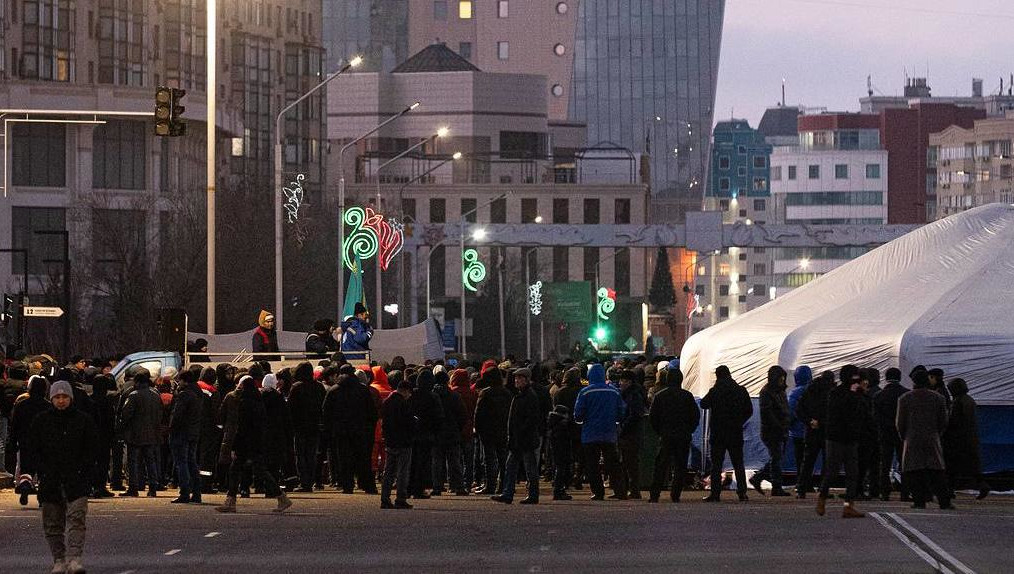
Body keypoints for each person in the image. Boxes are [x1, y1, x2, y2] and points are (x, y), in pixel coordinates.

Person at [30, 381, 97, 574]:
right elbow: (33, 449)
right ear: (51, 398)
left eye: (64, 397)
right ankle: (58, 559)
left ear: (71, 398)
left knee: (77, 519)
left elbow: (92, 449)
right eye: (57, 397)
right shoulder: (41, 421)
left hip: (76, 480)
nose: (61, 401)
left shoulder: (83, 420)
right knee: (52, 523)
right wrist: (39, 471)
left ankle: (75, 559)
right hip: (50, 480)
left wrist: (86, 473)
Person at [216, 376, 293, 513]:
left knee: (237, 470)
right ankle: (281, 497)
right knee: (258, 470)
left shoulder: (244, 403)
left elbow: (242, 426)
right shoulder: (258, 401)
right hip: (257, 441)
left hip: (245, 443)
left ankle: (231, 501)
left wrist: (235, 445)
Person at [896, 368, 952, 510]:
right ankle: (944, 501)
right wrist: (937, 434)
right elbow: (944, 421)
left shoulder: (905, 398)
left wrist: (904, 436)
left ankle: (918, 501)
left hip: (912, 438)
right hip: (932, 438)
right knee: (937, 471)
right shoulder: (939, 398)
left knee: (914, 471)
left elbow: (900, 422)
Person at [816, 365, 866, 518]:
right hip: (836, 438)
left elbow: (861, 412)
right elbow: (842, 410)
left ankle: (848, 505)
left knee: (853, 473)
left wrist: (859, 393)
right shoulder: (836, 393)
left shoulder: (857, 393)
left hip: (851, 438)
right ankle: (822, 498)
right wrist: (854, 394)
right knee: (832, 471)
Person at [573, 364, 627, 501]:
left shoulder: (585, 392)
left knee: (593, 465)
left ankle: (598, 492)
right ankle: (620, 490)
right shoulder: (614, 392)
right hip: (609, 433)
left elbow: (578, 414)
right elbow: (621, 412)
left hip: (590, 434)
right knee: (613, 464)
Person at [700, 365, 753, 502]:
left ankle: (715, 493)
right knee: (738, 463)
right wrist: (739, 421)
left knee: (717, 465)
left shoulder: (715, 391)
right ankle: (742, 492)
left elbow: (704, 404)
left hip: (718, 433)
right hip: (735, 432)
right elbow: (749, 410)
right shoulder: (740, 390)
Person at [648, 367, 700, 503]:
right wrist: (689, 430)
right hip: (683, 435)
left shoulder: (660, 396)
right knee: (680, 465)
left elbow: (653, 417)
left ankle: (655, 494)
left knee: (661, 465)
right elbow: (695, 416)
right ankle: (675, 494)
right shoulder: (687, 396)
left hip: (666, 435)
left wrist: (659, 431)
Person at [322, 372, 378, 494]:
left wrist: (330, 429)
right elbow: (372, 412)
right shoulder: (363, 390)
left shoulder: (334, 390)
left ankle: (348, 486)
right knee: (363, 459)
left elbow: (326, 412)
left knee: (344, 459)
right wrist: (369, 428)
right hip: (361, 430)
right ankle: (368, 485)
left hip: (341, 431)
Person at [492, 369, 542, 504]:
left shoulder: (529, 396)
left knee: (528, 468)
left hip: (525, 439)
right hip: (519, 439)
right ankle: (508, 493)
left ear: (526, 380)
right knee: (511, 467)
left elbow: (531, 419)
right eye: (515, 379)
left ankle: (531, 494)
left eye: (519, 379)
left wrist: (519, 433)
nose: (516, 381)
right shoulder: (521, 395)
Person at [118, 370, 163, 498]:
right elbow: (160, 413)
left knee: (134, 462)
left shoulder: (133, 395)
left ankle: (133, 488)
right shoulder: (155, 394)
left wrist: (122, 429)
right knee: (150, 461)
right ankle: (153, 487)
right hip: (152, 433)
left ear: (136, 382)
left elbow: (126, 415)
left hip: (135, 434)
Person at [943, 378, 989, 500]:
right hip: (970, 438)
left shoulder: (958, 402)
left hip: (958, 439)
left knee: (951, 467)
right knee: (973, 466)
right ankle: (982, 484)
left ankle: (949, 490)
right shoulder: (969, 400)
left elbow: (954, 421)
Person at [8, 375, 51, 506]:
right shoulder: (47, 406)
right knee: (43, 470)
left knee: (26, 469)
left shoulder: (21, 405)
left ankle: (25, 485)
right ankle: (42, 496)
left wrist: (13, 441)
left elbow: (14, 425)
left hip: (25, 441)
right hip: (43, 443)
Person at [794, 370, 836, 498]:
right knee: (827, 462)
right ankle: (823, 490)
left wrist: (809, 421)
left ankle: (801, 488)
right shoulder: (832, 392)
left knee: (808, 462)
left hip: (812, 431)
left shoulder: (810, 390)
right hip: (827, 431)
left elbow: (798, 409)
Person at [751, 366, 791, 496]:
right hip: (772, 431)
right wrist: (779, 425)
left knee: (776, 457)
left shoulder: (778, 391)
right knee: (776, 458)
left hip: (779, 429)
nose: (782, 380)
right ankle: (775, 485)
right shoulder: (768, 392)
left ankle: (760, 478)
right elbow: (767, 412)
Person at [473, 367, 511, 495]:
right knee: (503, 459)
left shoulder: (485, 393)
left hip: (487, 431)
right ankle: (503, 485)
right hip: (502, 430)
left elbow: (478, 415)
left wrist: (477, 430)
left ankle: (490, 485)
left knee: (489, 460)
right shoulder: (507, 393)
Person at [287, 362, 325, 492]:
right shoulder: (319, 387)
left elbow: (291, 409)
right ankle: (311, 480)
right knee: (311, 455)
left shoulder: (296, 387)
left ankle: (304, 482)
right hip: (315, 426)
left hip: (300, 426)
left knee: (300, 455)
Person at [168, 368, 203, 504]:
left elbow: (177, 415)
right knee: (192, 462)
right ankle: (196, 493)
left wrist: (170, 428)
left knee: (181, 463)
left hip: (182, 433)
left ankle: (184, 493)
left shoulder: (184, 395)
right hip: (194, 432)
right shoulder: (198, 393)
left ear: (184, 381)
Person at [407, 369, 444, 498]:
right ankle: (418, 489)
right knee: (423, 463)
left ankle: (407, 488)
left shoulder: (411, 395)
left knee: (410, 462)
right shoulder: (433, 396)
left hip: (412, 433)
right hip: (427, 433)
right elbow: (439, 417)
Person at [380, 378, 416, 509]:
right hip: (404, 442)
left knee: (388, 471)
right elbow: (410, 423)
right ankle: (401, 498)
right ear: (405, 391)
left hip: (390, 441)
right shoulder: (404, 404)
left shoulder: (387, 402)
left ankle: (385, 498)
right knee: (402, 471)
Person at [874, 367, 908, 501]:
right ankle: (905, 493)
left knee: (885, 463)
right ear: (899, 378)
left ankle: (885, 493)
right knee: (904, 462)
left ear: (886, 378)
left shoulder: (879, 395)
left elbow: (875, 416)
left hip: (884, 433)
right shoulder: (905, 394)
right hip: (902, 433)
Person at [432, 370, 468, 496]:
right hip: (452, 432)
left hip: (436, 432)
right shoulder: (454, 395)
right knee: (454, 461)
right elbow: (462, 414)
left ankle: (437, 486)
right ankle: (458, 486)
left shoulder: (433, 395)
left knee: (437, 461)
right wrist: (458, 427)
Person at [551, 367, 583, 496]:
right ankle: (574, 479)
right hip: (576, 427)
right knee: (577, 457)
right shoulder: (580, 392)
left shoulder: (559, 392)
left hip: (560, 428)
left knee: (561, 461)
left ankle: (560, 485)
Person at [617, 369, 647, 499]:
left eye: (622, 380)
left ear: (628, 382)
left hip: (630, 433)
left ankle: (634, 490)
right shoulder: (632, 393)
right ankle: (627, 489)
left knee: (630, 462)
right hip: (632, 432)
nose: (620, 383)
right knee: (628, 462)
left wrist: (623, 428)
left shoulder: (633, 395)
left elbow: (634, 415)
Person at [449, 368, 478, 491]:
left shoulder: (452, 393)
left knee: (455, 459)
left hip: (455, 429)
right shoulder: (472, 393)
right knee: (468, 459)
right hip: (469, 428)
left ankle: (454, 483)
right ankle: (468, 482)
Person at [787, 366, 812, 489]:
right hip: (811, 430)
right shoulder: (813, 390)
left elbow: (791, 412)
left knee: (800, 459)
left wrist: (788, 424)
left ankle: (801, 482)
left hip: (797, 432)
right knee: (809, 459)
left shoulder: (795, 393)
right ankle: (808, 482)